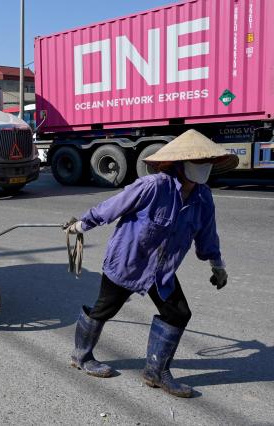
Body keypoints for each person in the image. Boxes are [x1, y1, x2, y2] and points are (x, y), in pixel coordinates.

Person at [66, 129, 238, 398]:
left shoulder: (203, 197)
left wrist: (217, 264)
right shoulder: (154, 186)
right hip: (129, 261)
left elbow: (207, 234)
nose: (202, 167)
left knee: (178, 313)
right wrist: (82, 224)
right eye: (196, 161)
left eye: (206, 162)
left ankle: (156, 372)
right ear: (180, 163)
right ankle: (81, 356)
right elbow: (113, 207)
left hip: (162, 269)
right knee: (104, 309)